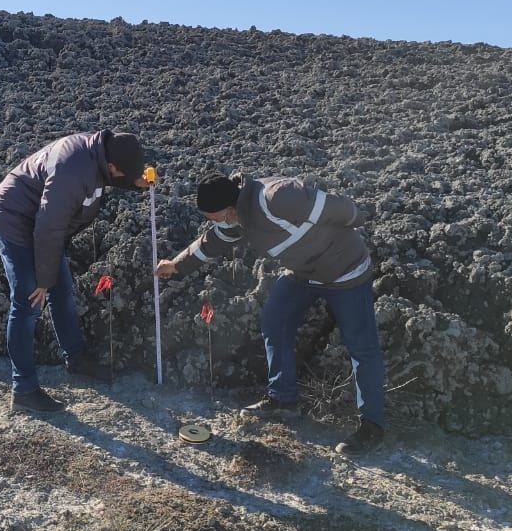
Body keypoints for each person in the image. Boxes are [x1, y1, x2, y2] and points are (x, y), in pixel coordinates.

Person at [154, 172, 387, 455]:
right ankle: (283, 400)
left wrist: (354, 222)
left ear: (228, 207)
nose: (212, 222)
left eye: (213, 216)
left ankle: (372, 426)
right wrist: (175, 265)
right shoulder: (236, 217)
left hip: (346, 271)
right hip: (303, 274)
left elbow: (339, 208)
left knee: (361, 346)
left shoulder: (277, 198)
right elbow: (211, 242)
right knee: (275, 321)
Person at [0, 130, 149, 413]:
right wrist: (42, 279)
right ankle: (23, 389)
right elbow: (48, 227)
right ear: (112, 166)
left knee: (61, 289)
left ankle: (75, 357)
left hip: (43, 225)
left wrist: (137, 182)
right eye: (124, 173)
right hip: (14, 219)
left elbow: (112, 178)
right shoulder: (73, 172)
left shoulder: (100, 153)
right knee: (28, 301)